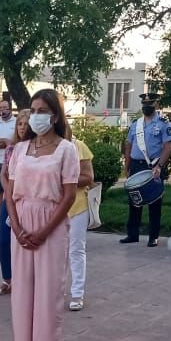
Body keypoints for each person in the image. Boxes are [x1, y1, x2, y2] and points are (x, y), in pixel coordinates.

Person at [6, 89, 79, 341]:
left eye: (42, 111)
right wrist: (17, 226)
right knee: (22, 290)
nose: (36, 116)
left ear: (56, 115)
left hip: (50, 221)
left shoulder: (66, 149)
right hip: (21, 221)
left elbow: (69, 195)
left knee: (48, 292)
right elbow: (10, 192)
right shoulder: (21, 149)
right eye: (32, 111)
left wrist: (44, 231)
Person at [122, 93, 171, 246]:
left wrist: (159, 166)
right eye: (144, 105)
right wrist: (127, 165)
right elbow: (128, 145)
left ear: (156, 105)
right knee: (134, 201)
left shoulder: (164, 123)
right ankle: (132, 234)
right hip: (136, 165)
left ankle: (153, 236)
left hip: (153, 165)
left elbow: (167, 146)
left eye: (149, 105)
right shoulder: (135, 124)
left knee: (154, 201)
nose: (146, 107)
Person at [0, 110, 31, 297]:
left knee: (26, 240)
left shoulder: (37, 148)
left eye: (26, 124)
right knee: (4, 239)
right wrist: (9, 192)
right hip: (10, 199)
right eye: (20, 124)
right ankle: (7, 279)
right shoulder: (11, 149)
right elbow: (4, 174)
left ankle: (27, 281)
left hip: (29, 201)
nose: (22, 128)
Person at [66, 128, 96, 311]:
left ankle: (77, 293)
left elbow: (88, 177)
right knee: (56, 253)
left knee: (76, 250)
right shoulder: (47, 148)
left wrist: (65, 180)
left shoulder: (79, 146)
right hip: (53, 207)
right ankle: (54, 290)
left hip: (77, 207)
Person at [0, 99, 17, 227]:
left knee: (12, 189)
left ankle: (13, 216)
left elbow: (18, 139)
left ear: (10, 108)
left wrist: (7, 142)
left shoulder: (16, 122)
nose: (3, 110)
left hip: (11, 160)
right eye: (0, 108)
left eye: (5, 108)